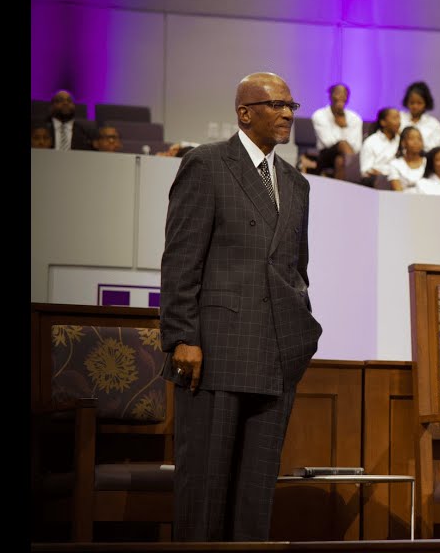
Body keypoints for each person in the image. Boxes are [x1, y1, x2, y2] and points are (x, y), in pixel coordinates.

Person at [158, 72, 322, 541]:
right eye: (276, 104)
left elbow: (296, 267)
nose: (288, 113)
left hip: (274, 355)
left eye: (291, 104)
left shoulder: (295, 183)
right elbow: (181, 258)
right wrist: (182, 337)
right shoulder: (207, 164)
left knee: (255, 499)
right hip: (214, 351)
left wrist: (300, 335)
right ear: (244, 113)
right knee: (204, 491)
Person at [309, 83, 364, 178]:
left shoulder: (355, 118)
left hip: (348, 157)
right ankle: (357, 177)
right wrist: (340, 125)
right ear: (330, 96)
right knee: (342, 144)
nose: (341, 97)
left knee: (340, 161)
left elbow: (357, 146)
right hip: (326, 156)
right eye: (338, 93)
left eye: (345, 94)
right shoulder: (319, 115)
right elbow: (328, 142)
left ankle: (341, 191)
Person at [359, 107, 402, 185]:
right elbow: (366, 170)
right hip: (377, 181)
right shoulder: (371, 141)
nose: (398, 122)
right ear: (383, 122)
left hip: (399, 179)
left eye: (399, 118)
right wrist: (384, 174)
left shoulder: (402, 141)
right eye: (395, 118)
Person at [400, 81, 440, 152]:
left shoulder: (434, 124)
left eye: (419, 103)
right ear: (406, 102)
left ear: (426, 104)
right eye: (412, 102)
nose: (415, 106)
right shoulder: (399, 119)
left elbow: (434, 150)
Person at [387, 126, 428, 192]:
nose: (416, 142)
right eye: (412, 139)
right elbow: (397, 191)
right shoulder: (395, 164)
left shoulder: (428, 162)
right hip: (403, 200)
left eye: (419, 139)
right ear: (403, 143)